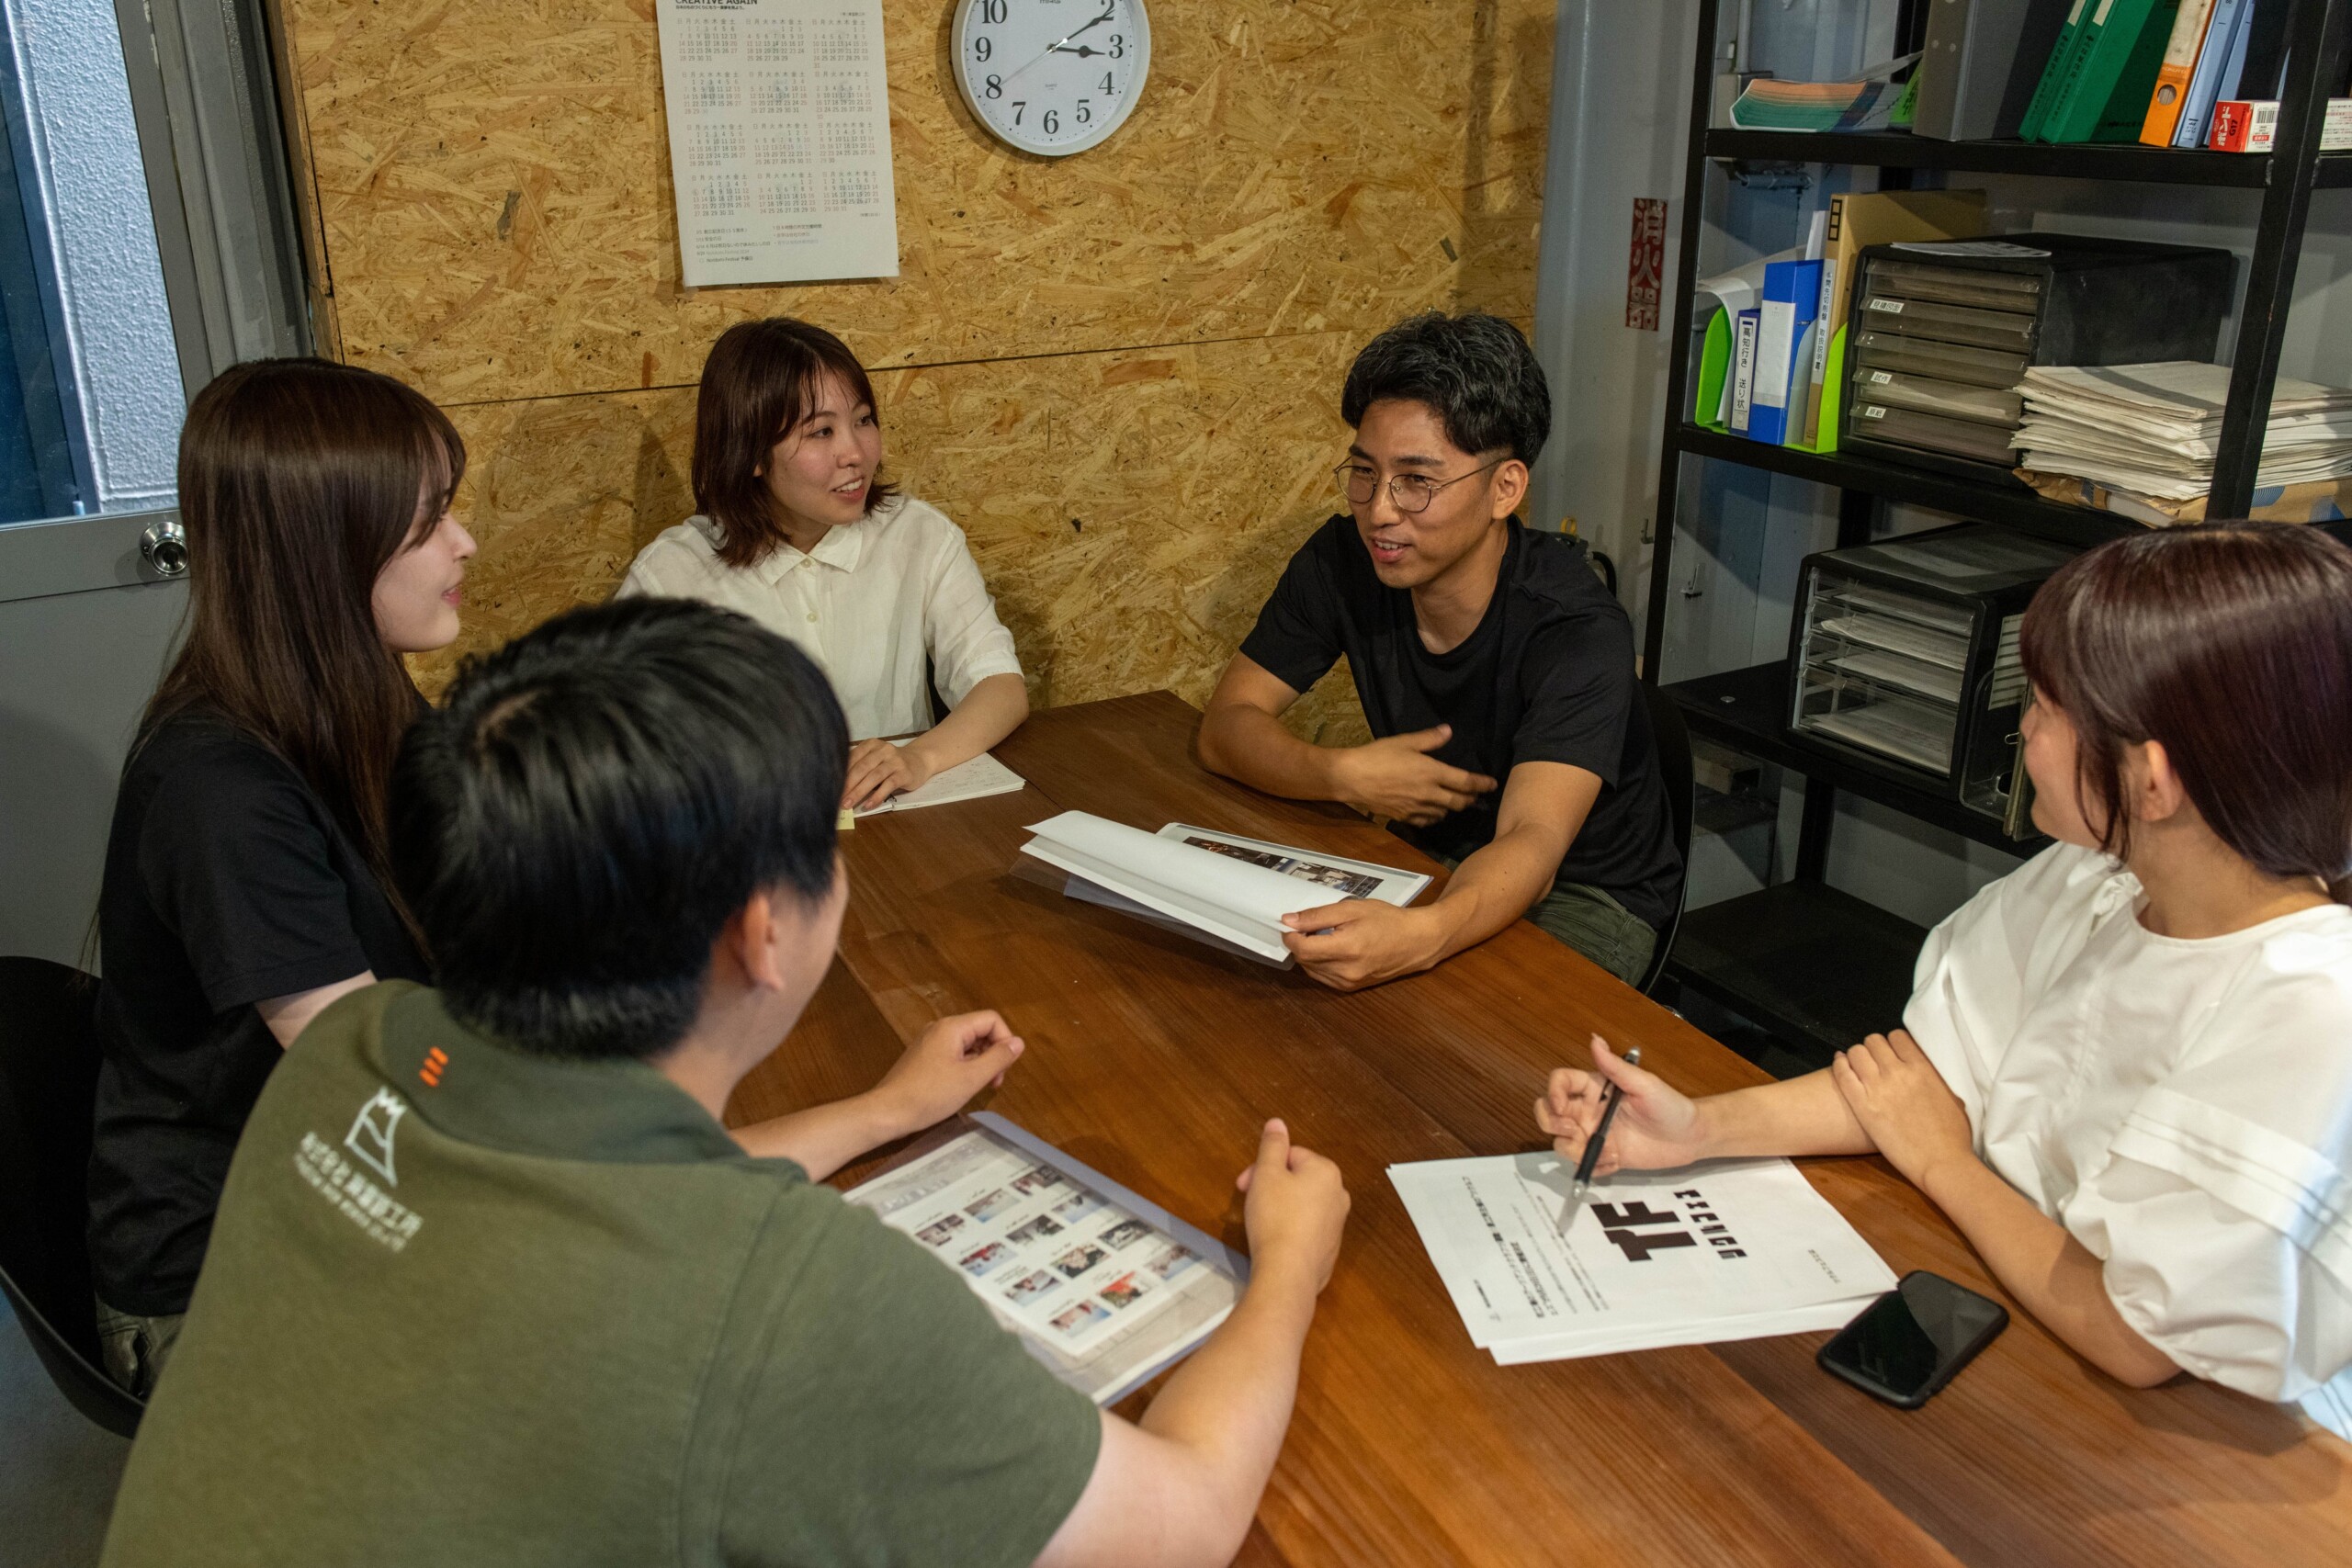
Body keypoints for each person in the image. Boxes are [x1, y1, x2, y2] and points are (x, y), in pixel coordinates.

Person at [100, 599, 1351, 1567]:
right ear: (763, 930)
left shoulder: (356, 1047)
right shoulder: (796, 1297)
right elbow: (1181, 1519)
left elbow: (607, 1217)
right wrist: (1285, 1263)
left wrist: (880, 1111)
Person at [1537, 524, 2352, 1436]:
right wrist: (1696, 1131)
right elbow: (1918, 1080)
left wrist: (1939, 1161)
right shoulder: (2097, 874)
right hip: (2026, 1320)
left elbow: (2133, 1333)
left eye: (2043, 707)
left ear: (2150, 779)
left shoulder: (2310, 1001)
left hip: (2223, 1441)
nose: (2022, 728)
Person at [86, 357, 474, 1396]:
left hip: (349, 1175)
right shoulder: (222, 789)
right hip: (225, 1267)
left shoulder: (359, 701)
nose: (463, 544)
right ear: (324, 547)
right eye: (430, 520)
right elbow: (379, 1077)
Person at [1197, 311, 1680, 989]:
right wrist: (1338, 773)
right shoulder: (1345, 561)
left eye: (1416, 481)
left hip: (1587, 893)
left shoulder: (1576, 627)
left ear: (1504, 488)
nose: (1380, 510)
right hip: (1427, 855)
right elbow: (1225, 727)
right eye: (1365, 472)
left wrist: (1421, 936)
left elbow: (1532, 844)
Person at [618, 317, 1028, 811]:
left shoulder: (918, 535)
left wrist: (917, 759)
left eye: (863, 420)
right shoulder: (673, 575)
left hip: (896, 827)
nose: (854, 453)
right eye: (820, 432)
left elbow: (1000, 686)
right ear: (750, 452)